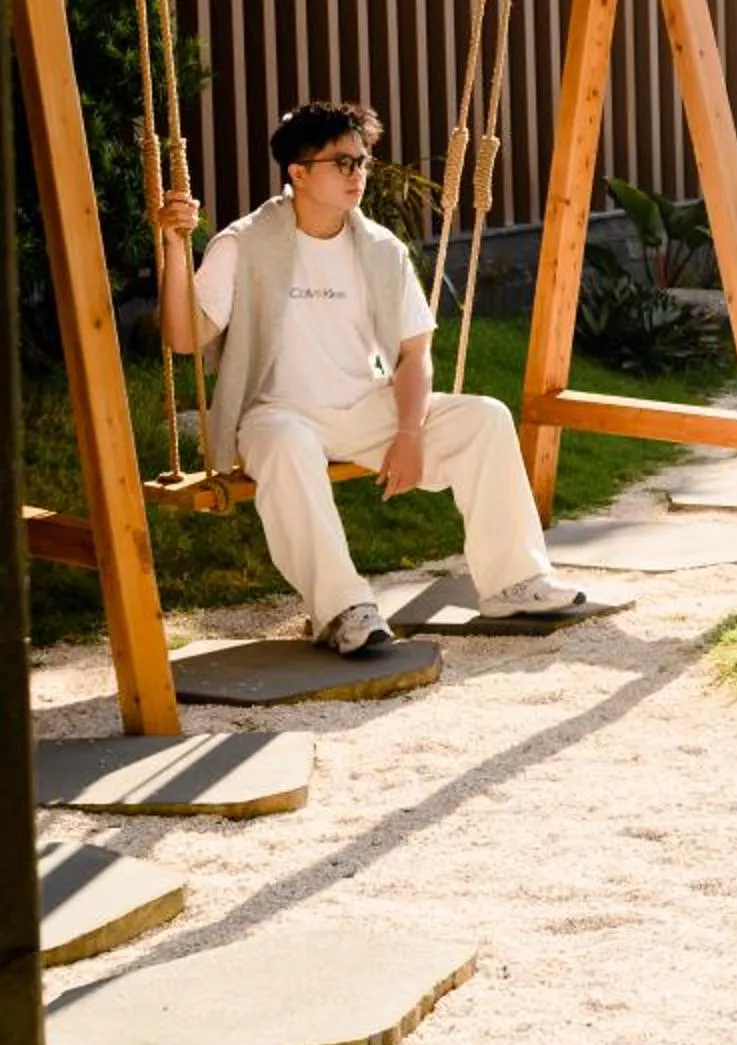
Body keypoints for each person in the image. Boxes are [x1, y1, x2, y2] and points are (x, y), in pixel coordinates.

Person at [156, 101, 582, 656]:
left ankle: (514, 580)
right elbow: (185, 337)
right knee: (286, 445)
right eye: (343, 163)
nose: (358, 174)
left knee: (484, 418)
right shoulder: (243, 243)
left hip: (365, 408)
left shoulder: (380, 247)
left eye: (362, 161)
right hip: (277, 413)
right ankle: (342, 609)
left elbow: (413, 353)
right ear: (299, 172)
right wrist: (171, 246)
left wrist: (408, 435)